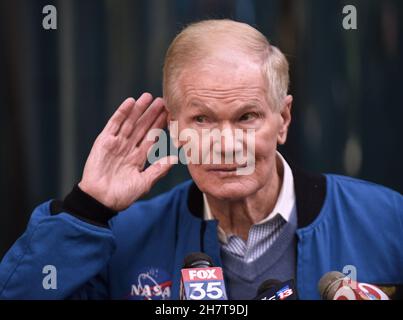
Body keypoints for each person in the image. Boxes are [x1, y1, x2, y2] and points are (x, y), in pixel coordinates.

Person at [0, 19, 402, 300]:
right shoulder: (122, 238)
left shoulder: (386, 220)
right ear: (174, 130)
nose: (226, 144)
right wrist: (85, 210)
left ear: (283, 120)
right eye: (203, 119)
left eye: (247, 116)